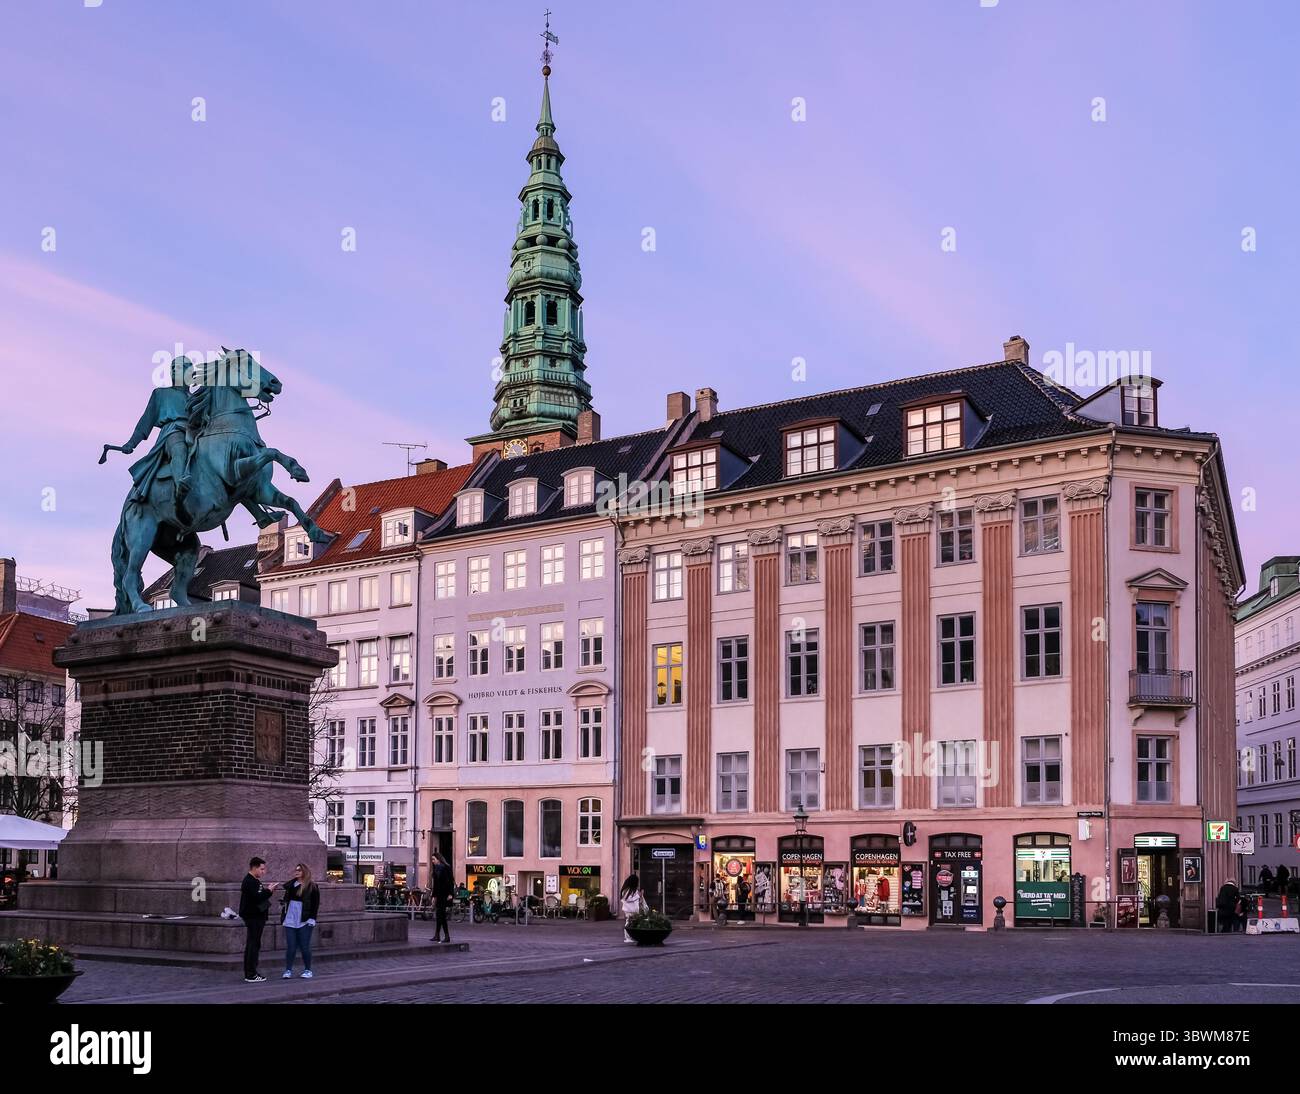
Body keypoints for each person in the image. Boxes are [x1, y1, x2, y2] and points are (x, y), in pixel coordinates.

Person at [238, 856, 277, 983]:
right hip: (253, 917)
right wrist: (269, 891)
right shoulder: (249, 881)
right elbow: (257, 897)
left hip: (256, 916)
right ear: (254, 868)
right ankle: (251, 974)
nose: (263, 872)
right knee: (253, 945)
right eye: (262, 869)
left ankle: (250, 972)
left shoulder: (253, 880)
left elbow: (258, 895)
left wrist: (267, 890)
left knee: (253, 944)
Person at [280, 863, 319, 979]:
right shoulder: (291, 884)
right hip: (291, 917)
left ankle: (308, 969)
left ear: (304, 872)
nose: (296, 872)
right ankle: (288, 970)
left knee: (304, 946)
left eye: (299, 870)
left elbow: (315, 904)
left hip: (304, 919)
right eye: (295, 870)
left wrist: (312, 918)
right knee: (291, 946)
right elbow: (287, 900)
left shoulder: (312, 886)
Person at [429, 852, 454, 944]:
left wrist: (451, 894)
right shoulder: (436, 869)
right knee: (439, 915)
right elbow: (435, 885)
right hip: (439, 895)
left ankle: (446, 936)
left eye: (433, 859)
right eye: (432, 859)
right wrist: (433, 896)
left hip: (445, 895)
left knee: (441, 915)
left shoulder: (446, 868)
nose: (432, 861)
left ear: (438, 859)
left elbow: (451, 881)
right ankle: (437, 935)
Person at [619, 873, 644, 944]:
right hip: (629, 910)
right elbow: (628, 899)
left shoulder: (631, 890)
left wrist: (640, 896)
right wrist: (638, 896)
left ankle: (631, 937)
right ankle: (628, 937)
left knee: (631, 923)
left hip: (633, 910)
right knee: (629, 923)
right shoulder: (627, 890)